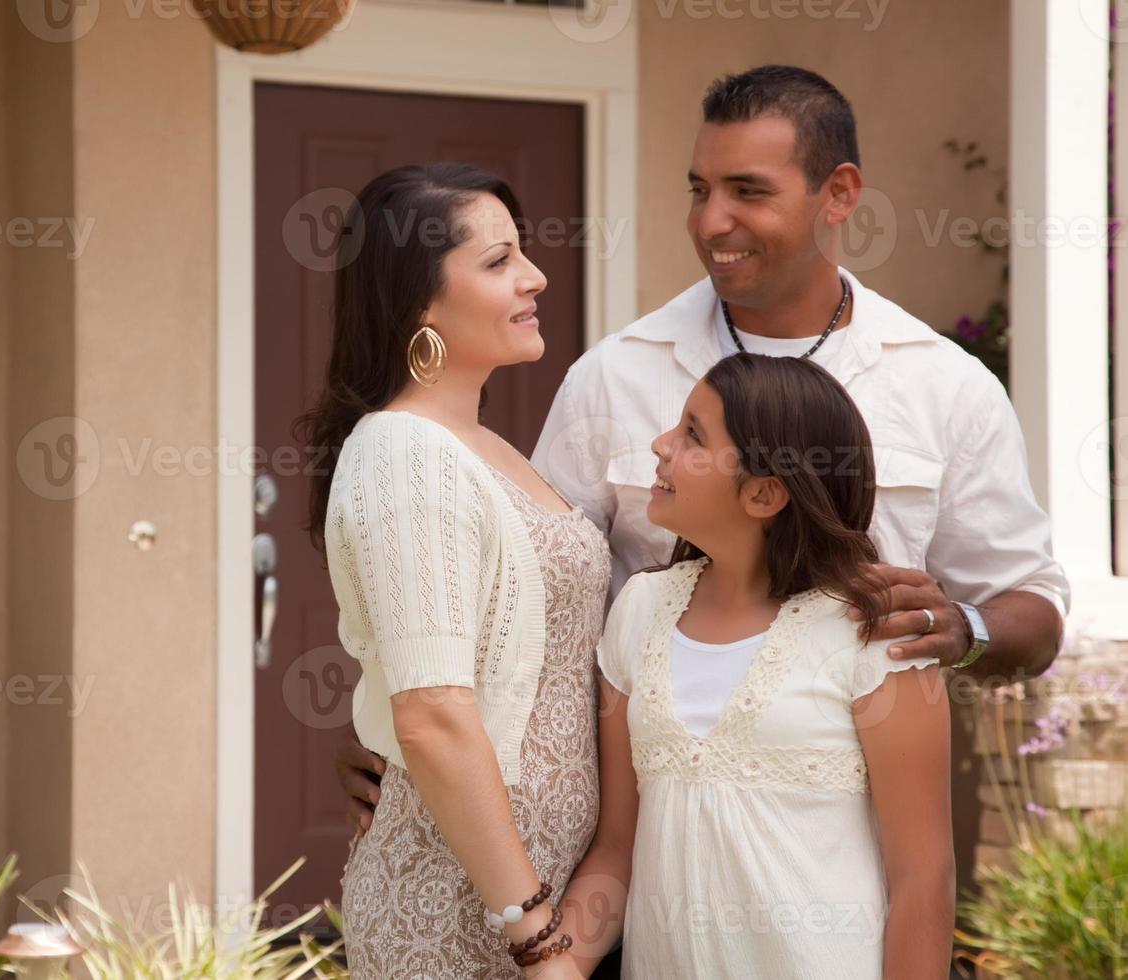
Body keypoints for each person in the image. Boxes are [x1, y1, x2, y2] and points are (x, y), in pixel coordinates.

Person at [333, 63, 1068, 977]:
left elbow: (1033, 609)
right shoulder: (611, 376)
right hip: (621, 899)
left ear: (839, 194)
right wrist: (400, 720)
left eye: (748, 191)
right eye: (699, 189)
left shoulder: (945, 387)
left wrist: (961, 628)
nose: (711, 220)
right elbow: (508, 595)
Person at [299, 162, 611, 977]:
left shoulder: (486, 448)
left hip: (538, 906)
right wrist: (536, 937)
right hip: (464, 907)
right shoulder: (405, 453)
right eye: (499, 261)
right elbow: (432, 714)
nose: (535, 276)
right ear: (420, 303)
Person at [560, 352, 954, 976]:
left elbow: (921, 879)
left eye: (693, 434)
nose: (661, 445)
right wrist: (554, 963)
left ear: (765, 493)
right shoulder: (638, 609)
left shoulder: (875, 635)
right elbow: (615, 851)